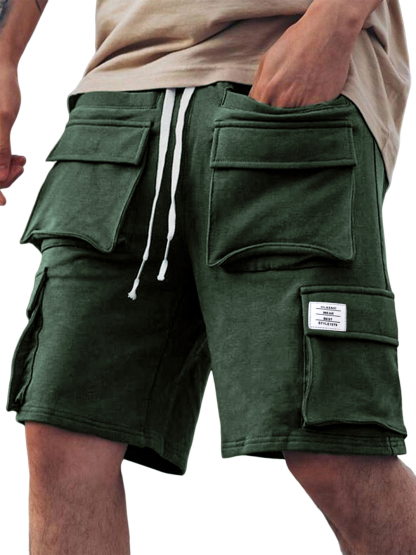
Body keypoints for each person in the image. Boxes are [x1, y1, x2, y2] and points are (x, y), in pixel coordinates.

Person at [1, 0, 415, 553]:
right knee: (63, 434)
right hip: (116, 100)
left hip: (283, 79)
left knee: (334, 446)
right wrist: (3, 56)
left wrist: (334, 21)